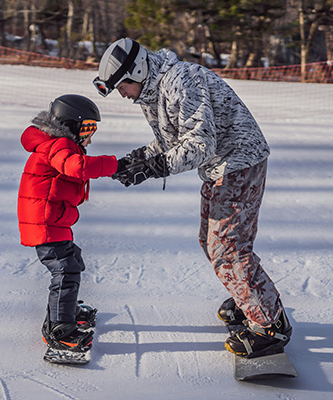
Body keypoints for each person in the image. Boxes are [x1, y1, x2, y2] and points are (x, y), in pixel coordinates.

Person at [93, 38, 292, 358]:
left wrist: (156, 168)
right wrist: (134, 161)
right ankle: (249, 299)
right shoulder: (151, 93)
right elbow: (170, 141)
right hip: (220, 168)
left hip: (239, 161)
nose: (122, 94)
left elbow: (200, 144)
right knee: (211, 241)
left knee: (227, 248)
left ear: (139, 70)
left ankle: (269, 325)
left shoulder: (181, 80)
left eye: (123, 86)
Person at [17, 94, 117, 353]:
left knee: (72, 260)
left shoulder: (54, 143)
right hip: (45, 221)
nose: (90, 137)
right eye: (87, 129)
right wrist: (113, 165)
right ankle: (61, 329)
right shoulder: (58, 145)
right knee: (65, 271)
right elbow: (76, 167)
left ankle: (68, 311)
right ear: (71, 125)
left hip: (50, 219)